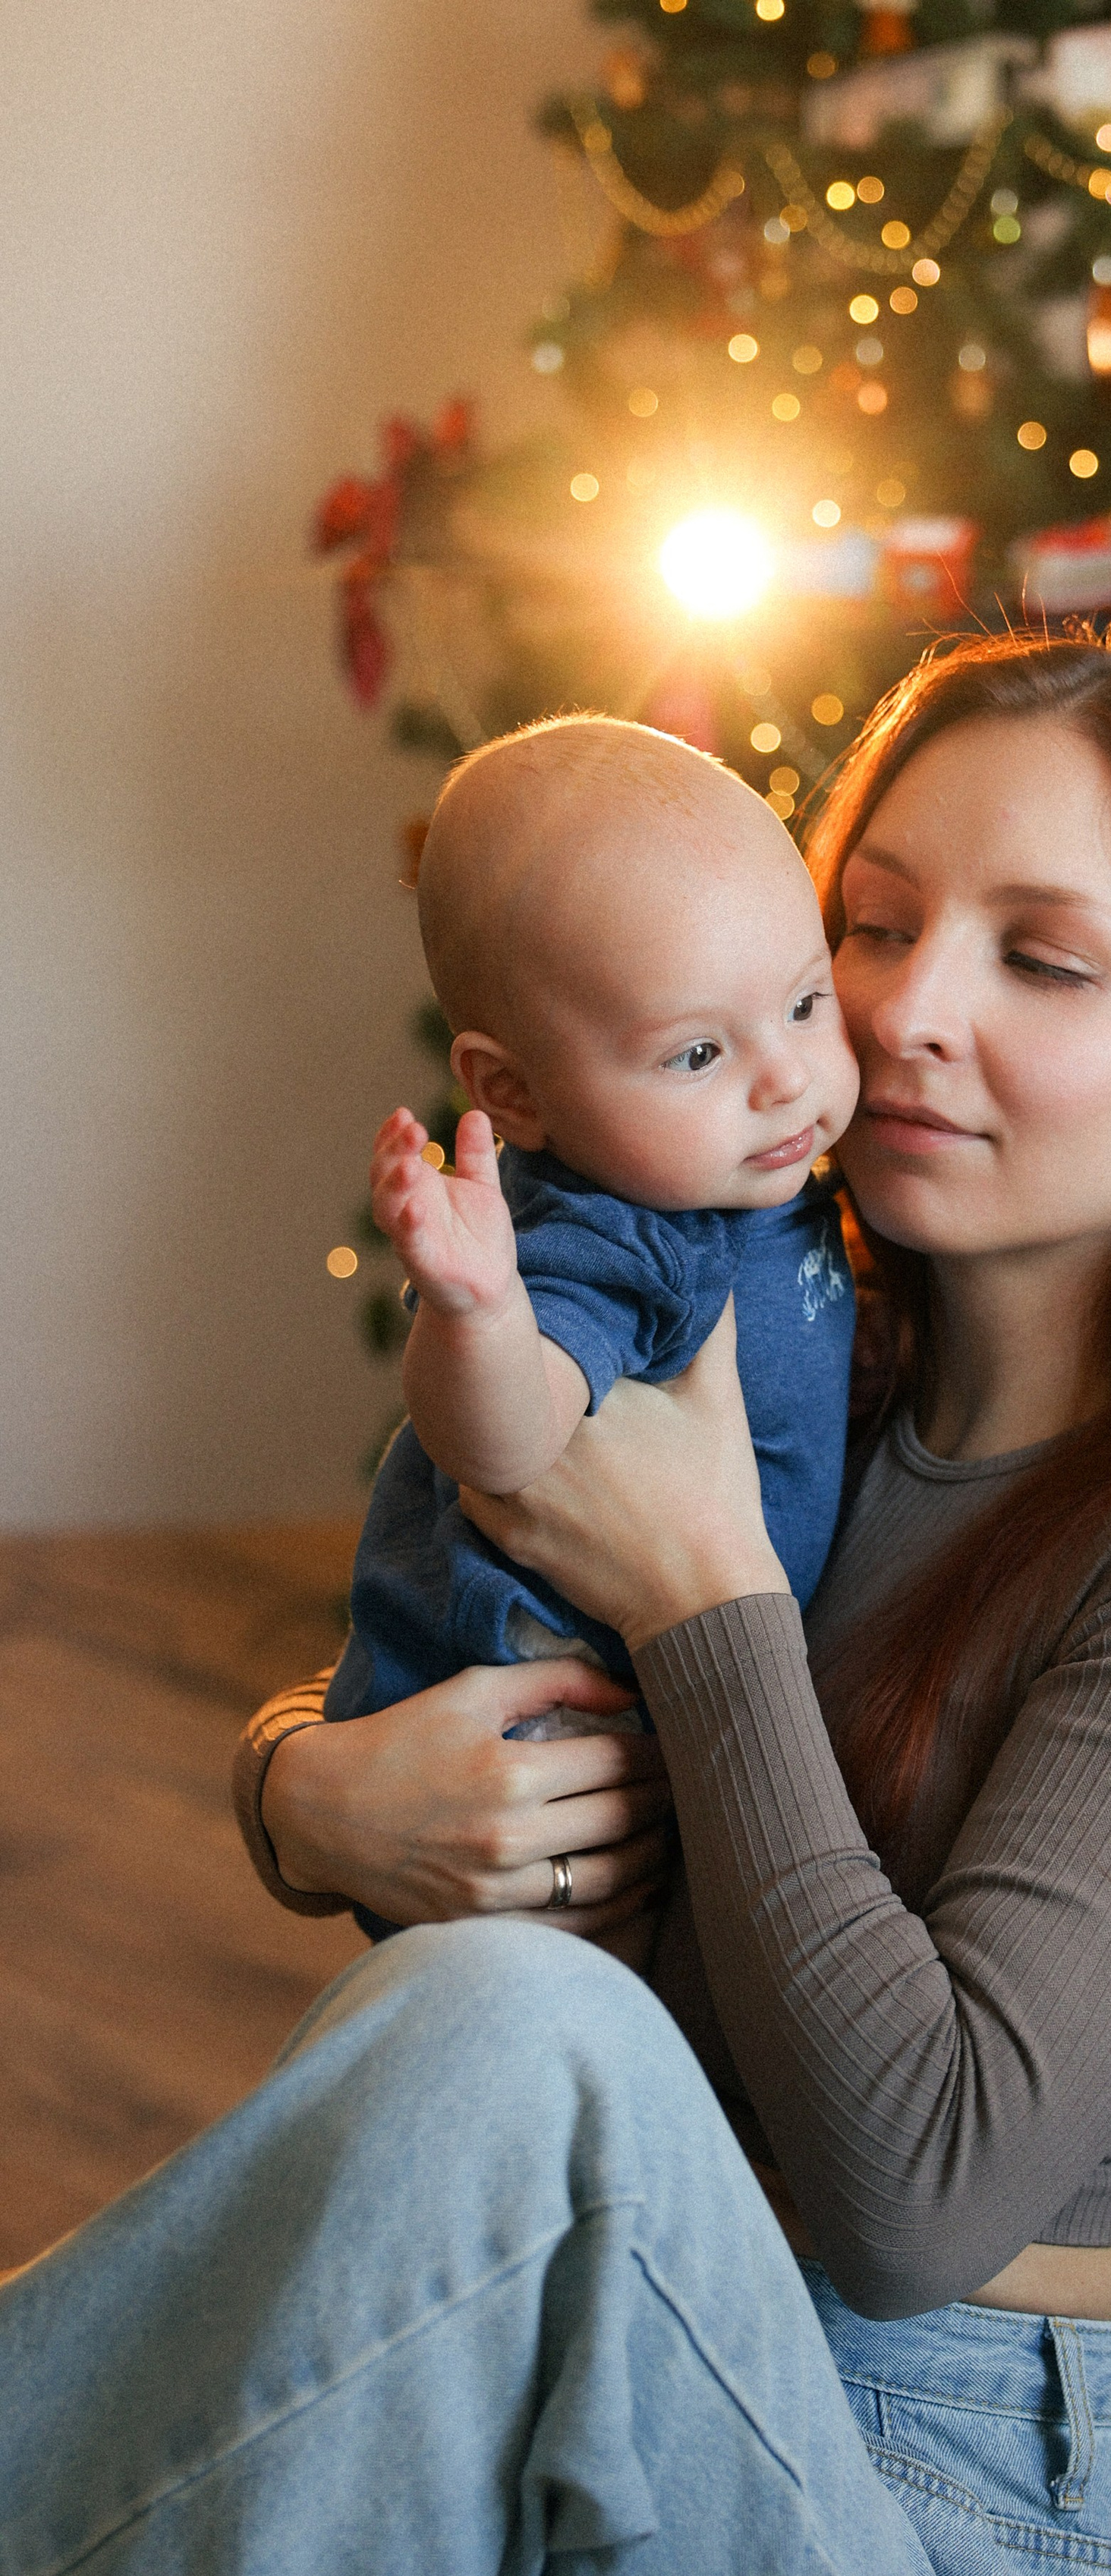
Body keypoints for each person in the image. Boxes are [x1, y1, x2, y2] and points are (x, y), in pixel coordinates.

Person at [0, 625, 1111, 2576]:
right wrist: (304, 1794)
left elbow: (916, 2192)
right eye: (867, 925)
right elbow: (431, 1652)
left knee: (518, 2036)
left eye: (1043, 960)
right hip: (584, 2426)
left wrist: (710, 1616)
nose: (898, 1013)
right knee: (476, 2051)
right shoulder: (786, 1369)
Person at [324, 722, 859, 1947]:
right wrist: (482, 1312)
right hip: (521, 1740)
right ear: (511, 1095)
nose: (786, 1078)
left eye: (806, 1000)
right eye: (699, 1051)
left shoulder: (765, 1172)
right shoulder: (617, 1232)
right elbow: (510, 1441)